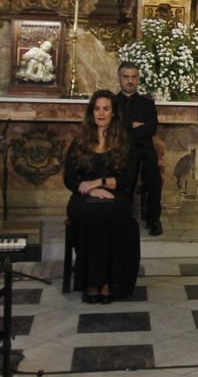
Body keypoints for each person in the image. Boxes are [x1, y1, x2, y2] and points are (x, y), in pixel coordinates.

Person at [63, 90, 141, 303]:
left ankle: (107, 282)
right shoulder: (79, 141)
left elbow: (127, 179)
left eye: (106, 109)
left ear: (114, 113)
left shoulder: (125, 142)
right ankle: (90, 281)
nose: (101, 113)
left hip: (115, 195)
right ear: (91, 112)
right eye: (97, 108)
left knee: (113, 215)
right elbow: (69, 179)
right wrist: (88, 189)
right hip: (83, 196)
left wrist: (99, 183)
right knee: (89, 215)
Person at [116, 61, 163, 236]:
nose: (130, 81)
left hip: (145, 150)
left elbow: (151, 128)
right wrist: (134, 125)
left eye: (133, 77)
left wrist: (126, 128)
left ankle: (154, 219)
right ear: (119, 78)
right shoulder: (112, 102)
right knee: (125, 177)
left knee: (155, 179)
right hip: (122, 150)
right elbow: (114, 129)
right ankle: (123, 217)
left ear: (138, 79)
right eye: (126, 77)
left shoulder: (147, 103)